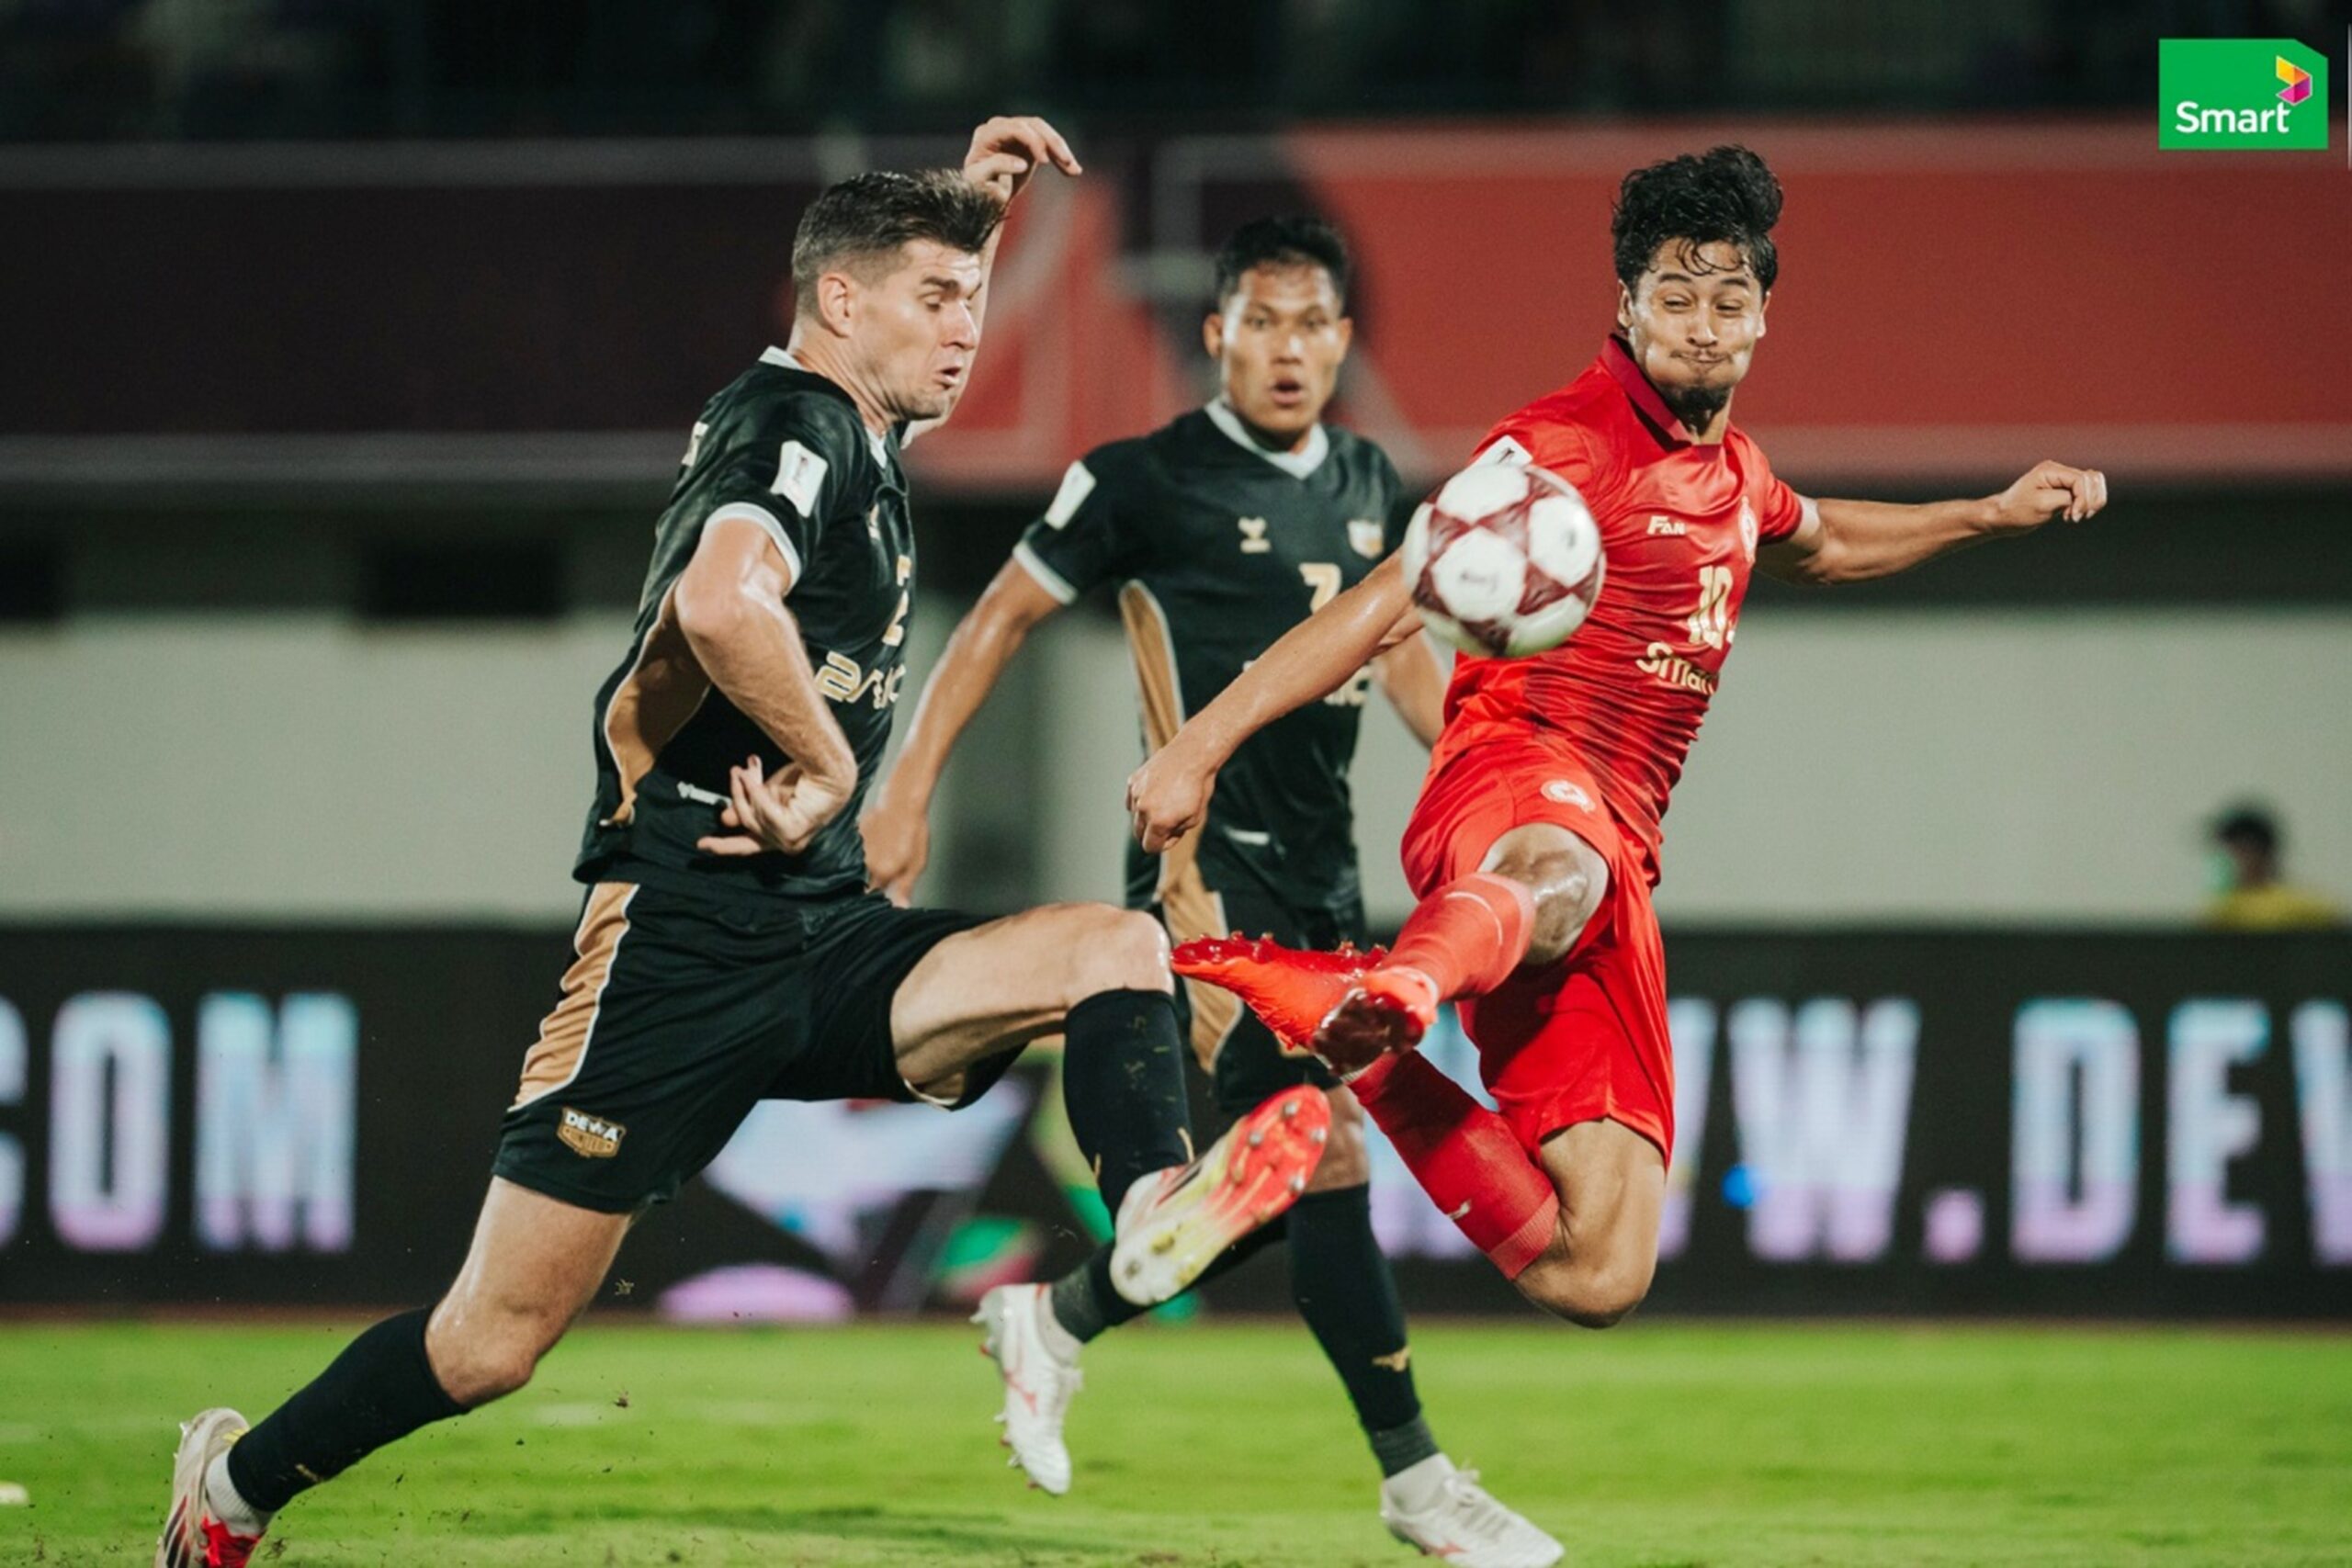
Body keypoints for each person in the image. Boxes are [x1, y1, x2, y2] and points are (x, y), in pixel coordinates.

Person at [155, 118, 1334, 1568]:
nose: (966, 330)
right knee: (491, 1341)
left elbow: (889, 305)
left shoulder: (860, 420)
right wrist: (832, 761)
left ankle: (1150, 1206)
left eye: (973, 299)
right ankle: (233, 1487)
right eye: (937, 300)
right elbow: (720, 603)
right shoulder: (794, 424)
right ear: (840, 302)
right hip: (681, 938)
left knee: (1114, 944)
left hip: (821, 931)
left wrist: (975, 207)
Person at [1129, 145, 2110, 1328]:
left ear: (1762, 317)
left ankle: (1365, 1041)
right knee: (1561, 862)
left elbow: (1825, 542)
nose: (1701, 327)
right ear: (1626, 306)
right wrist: (1199, 745)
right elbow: (1387, 600)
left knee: (1597, 1272)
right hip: (1513, 783)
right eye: (1674, 298)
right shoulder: (1559, 446)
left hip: (1616, 855)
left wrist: (1988, 515)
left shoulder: (1733, 472)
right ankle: (1405, 981)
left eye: (1727, 302)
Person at [863, 216, 1559, 1563]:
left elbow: (1401, 662)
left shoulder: (1370, 478)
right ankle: (1416, 1483)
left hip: (1325, 882)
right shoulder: (1142, 479)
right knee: (1318, 1152)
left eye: (1312, 325)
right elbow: (1000, 615)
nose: (1288, 349)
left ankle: (1059, 1319)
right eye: (1262, 321)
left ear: (1343, 342)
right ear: (1217, 334)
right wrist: (906, 789)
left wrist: (1503, 793)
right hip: (1202, 878)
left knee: (1297, 1178)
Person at [2205, 804, 2345, 930]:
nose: (2230, 858)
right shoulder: (2220, 911)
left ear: (2263, 853)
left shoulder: (2300, 908)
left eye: (2240, 849)